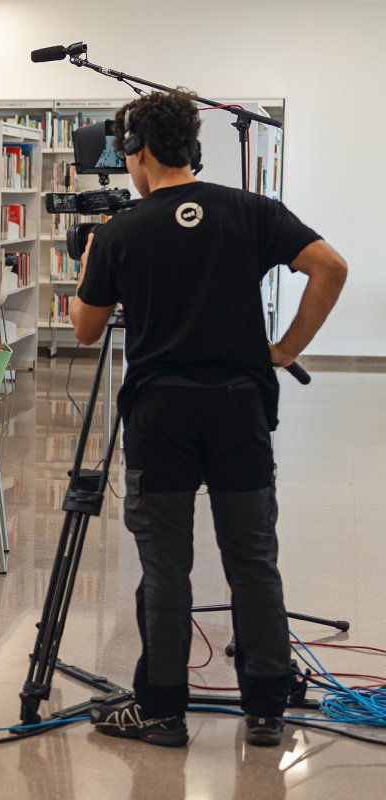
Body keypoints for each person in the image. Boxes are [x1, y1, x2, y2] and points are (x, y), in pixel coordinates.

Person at [70, 90, 347, 748]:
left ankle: (162, 710)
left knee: (166, 566)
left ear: (136, 152)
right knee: (254, 560)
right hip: (238, 408)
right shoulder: (250, 211)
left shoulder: (122, 231)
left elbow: (84, 330)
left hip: (161, 412)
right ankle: (266, 710)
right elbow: (329, 267)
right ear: (190, 146)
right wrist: (285, 350)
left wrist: (94, 256)